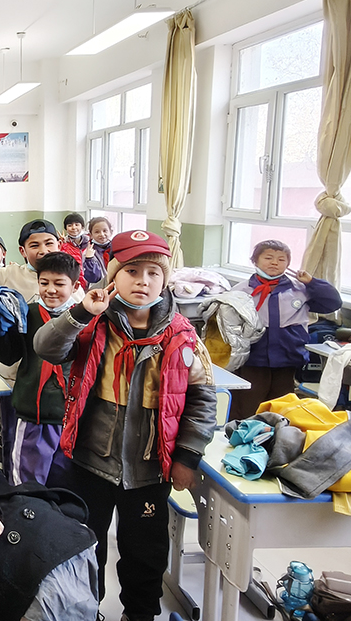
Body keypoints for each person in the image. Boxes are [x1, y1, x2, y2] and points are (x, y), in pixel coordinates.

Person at [33, 230, 217, 621]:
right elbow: (46, 347)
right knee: (84, 547)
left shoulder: (182, 336)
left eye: (153, 272)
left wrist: (187, 456)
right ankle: (85, 612)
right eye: (132, 271)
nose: (143, 281)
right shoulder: (94, 324)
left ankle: (140, 615)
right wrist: (82, 312)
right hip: (89, 462)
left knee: (145, 555)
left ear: (165, 279)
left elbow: (202, 400)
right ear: (113, 275)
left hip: (149, 468)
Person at [0, 251, 79, 485]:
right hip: (33, 415)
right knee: (27, 483)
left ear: (75, 286)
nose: (50, 290)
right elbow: (9, 356)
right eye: (44, 283)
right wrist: (0, 328)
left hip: (71, 418)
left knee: (65, 483)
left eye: (59, 283)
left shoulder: (82, 318)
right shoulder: (27, 313)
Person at [229, 239, 342, 420]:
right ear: (255, 261)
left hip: (287, 356)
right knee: (248, 404)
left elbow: (333, 302)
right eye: (268, 258)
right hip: (253, 358)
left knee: (282, 405)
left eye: (281, 259)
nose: (274, 263)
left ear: (288, 264)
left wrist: (312, 281)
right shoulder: (241, 290)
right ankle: (244, 432)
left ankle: (278, 435)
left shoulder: (300, 289)